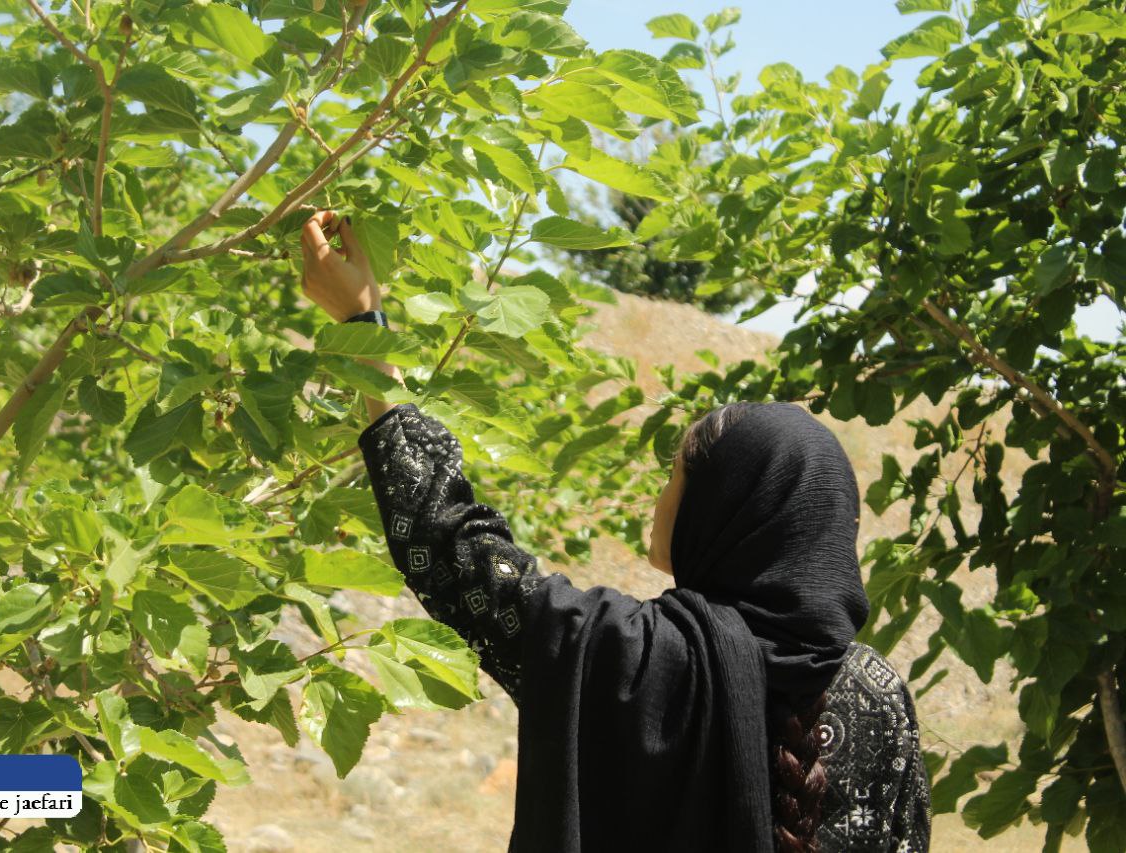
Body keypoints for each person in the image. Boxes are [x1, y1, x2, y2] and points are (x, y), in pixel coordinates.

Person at [299, 210, 932, 853]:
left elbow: (449, 544)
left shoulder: (622, 659)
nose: (659, 500)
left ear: (723, 514)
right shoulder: (878, 694)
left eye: (675, 479)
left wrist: (365, 325)